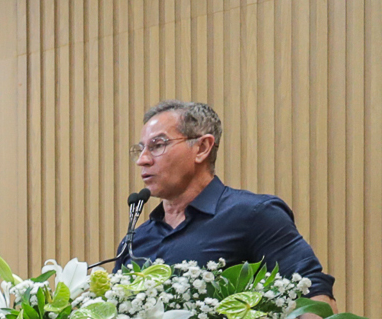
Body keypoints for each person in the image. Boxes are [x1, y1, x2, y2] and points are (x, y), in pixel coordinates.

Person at [122, 100, 334, 304]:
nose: (143, 160)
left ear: (202, 148)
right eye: (140, 150)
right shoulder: (138, 239)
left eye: (157, 145)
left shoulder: (254, 215)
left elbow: (309, 289)